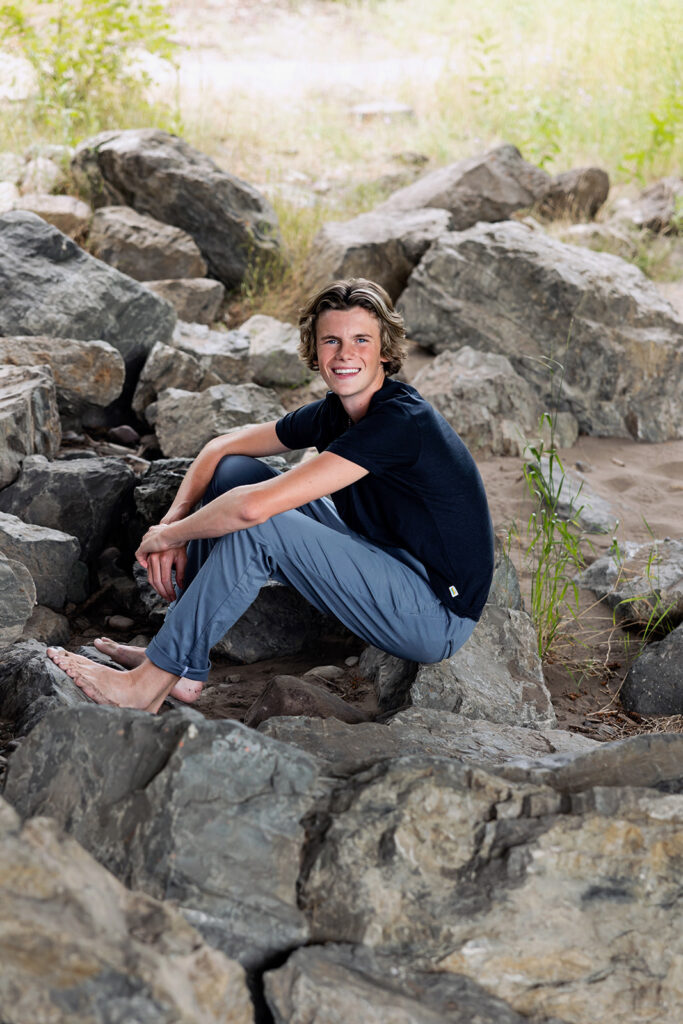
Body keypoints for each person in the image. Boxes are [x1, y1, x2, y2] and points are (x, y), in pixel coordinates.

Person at [48, 278, 494, 712]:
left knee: (260, 522)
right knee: (235, 472)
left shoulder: (398, 422)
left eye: (361, 339)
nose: (345, 354)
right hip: (385, 555)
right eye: (331, 341)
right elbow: (221, 447)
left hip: (435, 612)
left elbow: (252, 509)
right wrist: (173, 522)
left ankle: (145, 686)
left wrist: (167, 538)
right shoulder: (335, 413)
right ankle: (184, 663)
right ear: (314, 349)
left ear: (386, 350)